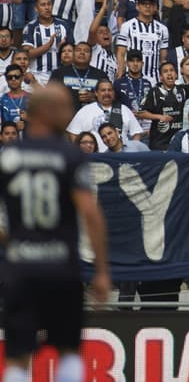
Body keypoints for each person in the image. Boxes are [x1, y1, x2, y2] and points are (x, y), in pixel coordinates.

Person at [0, 84, 111, 382]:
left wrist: (12, 240)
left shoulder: (8, 157)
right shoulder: (68, 156)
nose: (69, 113)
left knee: (17, 357)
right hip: (61, 267)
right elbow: (90, 212)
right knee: (68, 352)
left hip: (20, 267)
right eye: (64, 107)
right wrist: (101, 270)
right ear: (47, 112)